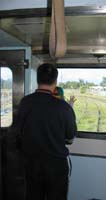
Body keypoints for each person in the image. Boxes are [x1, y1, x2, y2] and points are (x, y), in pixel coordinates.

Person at [16, 63, 77, 200]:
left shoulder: (25, 102)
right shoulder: (64, 107)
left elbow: (18, 131)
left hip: (31, 165)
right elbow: (70, 139)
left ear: (38, 80)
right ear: (55, 81)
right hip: (56, 166)